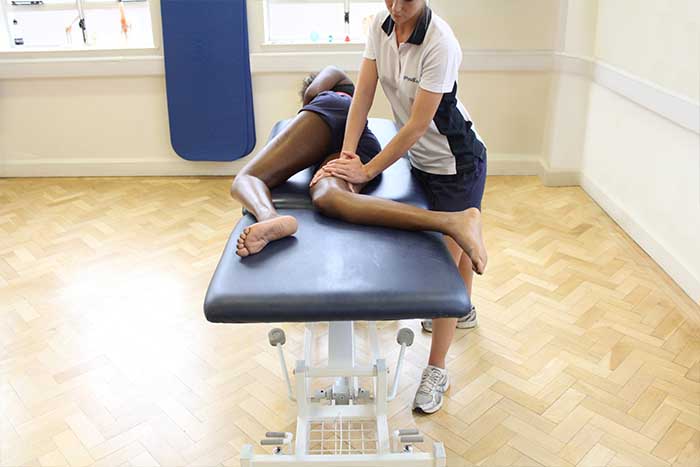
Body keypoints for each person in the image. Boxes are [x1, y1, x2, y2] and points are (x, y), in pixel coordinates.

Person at [309, 0, 488, 414]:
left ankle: (437, 369)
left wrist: (368, 168)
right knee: (456, 252)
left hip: (455, 164)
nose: (397, 5)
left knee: (442, 272)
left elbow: (416, 125)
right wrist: (347, 156)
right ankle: (465, 312)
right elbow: (364, 95)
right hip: (419, 161)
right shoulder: (380, 26)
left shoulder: (440, 42)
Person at [230, 65, 382, 257]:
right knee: (334, 194)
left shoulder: (336, 76)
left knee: (248, 177)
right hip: (363, 144)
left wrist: (305, 115)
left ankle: (268, 216)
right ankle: (431, 219)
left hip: (333, 108)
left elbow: (313, 92)